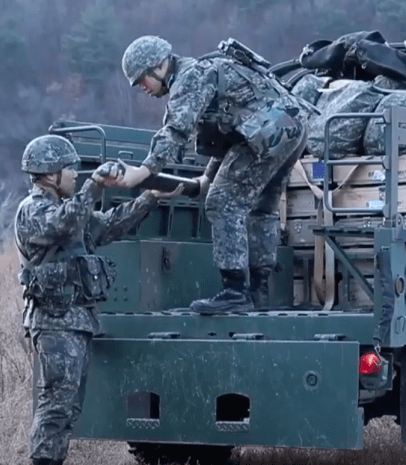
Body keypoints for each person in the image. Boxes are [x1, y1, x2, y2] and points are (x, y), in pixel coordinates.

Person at [102, 35, 310, 314]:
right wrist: (207, 177)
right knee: (263, 208)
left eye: (142, 79)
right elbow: (226, 137)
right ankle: (259, 291)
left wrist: (143, 171)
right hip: (290, 126)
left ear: (160, 67)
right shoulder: (205, 71)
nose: (143, 88)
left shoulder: (189, 78)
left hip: (269, 130)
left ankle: (235, 291)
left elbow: (176, 131)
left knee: (222, 202)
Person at [15, 134, 179, 465]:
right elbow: (64, 225)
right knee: (55, 406)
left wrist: (149, 197)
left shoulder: (68, 210)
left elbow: (109, 226)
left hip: (76, 323)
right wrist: (96, 185)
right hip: (54, 323)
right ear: (49, 175)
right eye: (69, 169)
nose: (75, 175)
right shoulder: (33, 211)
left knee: (68, 407)